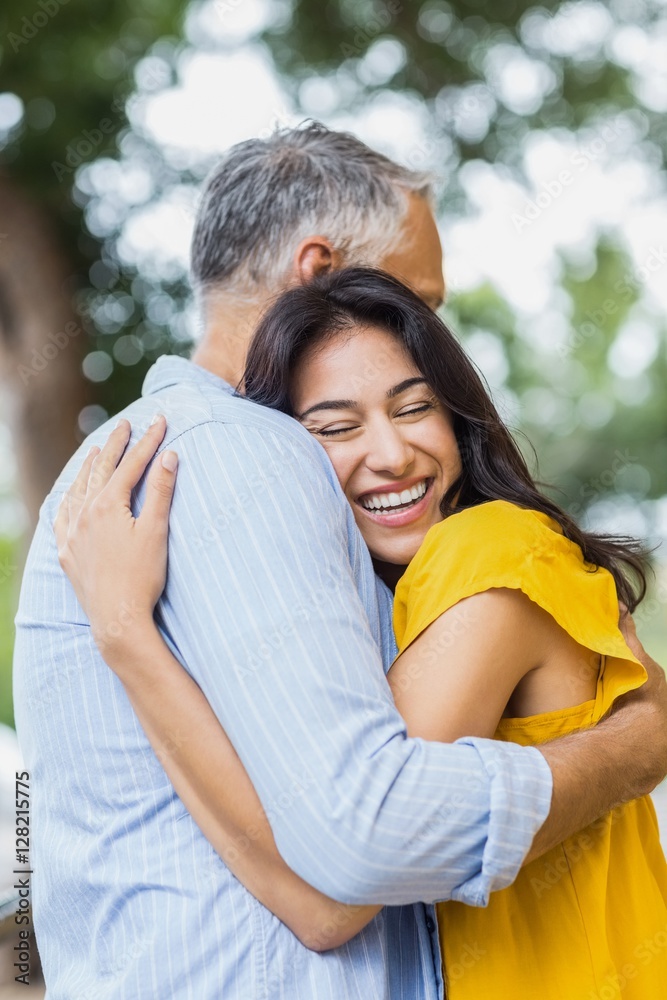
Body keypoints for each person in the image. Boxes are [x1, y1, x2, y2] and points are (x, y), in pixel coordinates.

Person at [13, 123, 667, 999]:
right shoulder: (236, 452)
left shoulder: (166, 461)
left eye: (414, 405)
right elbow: (362, 849)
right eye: (419, 298)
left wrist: (129, 636)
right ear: (324, 278)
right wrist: (637, 745)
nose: (426, 331)